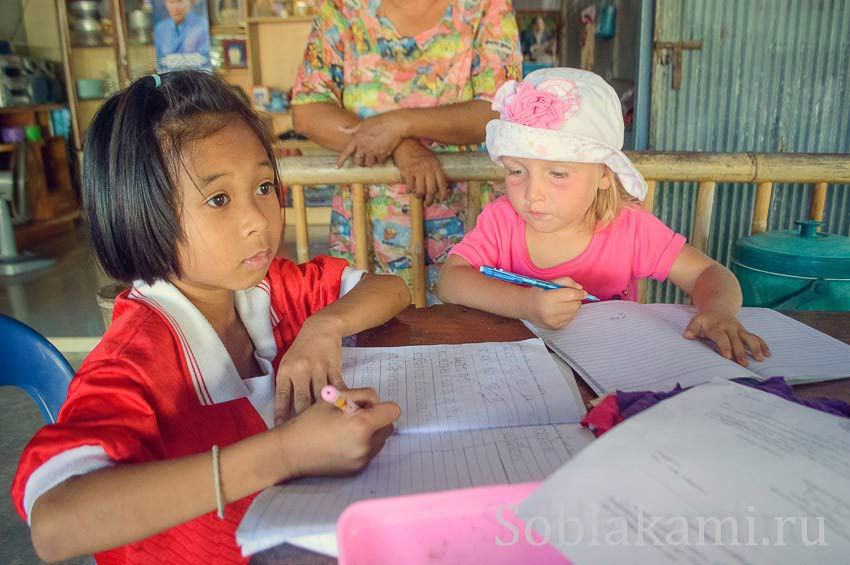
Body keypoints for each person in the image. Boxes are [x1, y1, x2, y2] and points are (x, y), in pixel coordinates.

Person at [12, 71, 409, 563]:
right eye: (218, 199)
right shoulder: (135, 360)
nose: (258, 220)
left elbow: (391, 288)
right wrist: (286, 452)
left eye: (264, 186)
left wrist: (323, 327)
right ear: (142, 212)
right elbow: (55, 524)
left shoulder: (268, 291)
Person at [437, 68, 770, 367]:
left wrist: (718, 311)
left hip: (615, 371)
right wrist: (526, 304)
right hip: (519, 369)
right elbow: (451, 280)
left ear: (605, 175)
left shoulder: (630, 228)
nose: (532, 193)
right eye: (516, 171)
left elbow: (710, 273)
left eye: (557, 173)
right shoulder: (501, 221)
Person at [291, 0, 521, 303]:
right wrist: (400, 145)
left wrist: (402, 124)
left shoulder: (485, 7)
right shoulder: (341, 8)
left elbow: (500, 109)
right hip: (367, 224)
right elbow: (308, 112)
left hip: (468, 224)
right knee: (374, 331)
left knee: (466, 332)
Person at [154, 0, 211, 71]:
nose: (176, 8)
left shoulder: (202, 25)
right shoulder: (160, 28)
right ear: (166, 4)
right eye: (171, 2)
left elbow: (204, 61)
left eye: (180, 1)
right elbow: (160, 61)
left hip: (195, 76)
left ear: (190, 2)